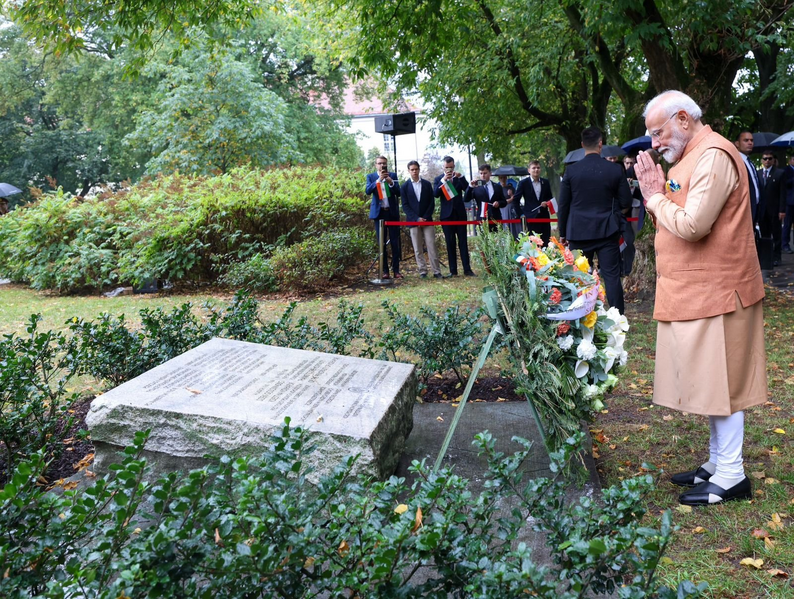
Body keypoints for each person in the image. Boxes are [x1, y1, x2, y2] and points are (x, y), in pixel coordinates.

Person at [634, 90, 767, 506]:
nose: (654, 143)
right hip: (697, 291)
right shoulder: (691, 155)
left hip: (721, 292)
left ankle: (732, 475)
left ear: (683, 119)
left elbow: (693, 225)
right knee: (713, 383)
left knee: (723, 383)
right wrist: (658, 194)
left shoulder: (714, 155)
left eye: (658, 132)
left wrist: (654, 196)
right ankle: (716, 462)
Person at [557, 126, 633, 313]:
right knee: (612, 276)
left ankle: (578, 317)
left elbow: (563, 205)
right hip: (607, 230)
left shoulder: (571, 172)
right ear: (601, 144)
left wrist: (563, 233)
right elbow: (626, 201)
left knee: (579, 277)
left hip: (578, 231)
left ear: (582, 145)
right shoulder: (615, 169)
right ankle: (617, 318)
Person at [434, 156, 475, 277]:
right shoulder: (438, 179)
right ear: (443, 167)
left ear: (454, 167)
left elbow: (467, 189)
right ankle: (453, 270)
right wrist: (443, 181)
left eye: (451, 167)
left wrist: (461, 177)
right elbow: (435, 194)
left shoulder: (458, 179)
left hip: (460, 215)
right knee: (450, 242)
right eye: (447, 167)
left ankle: (467, 269)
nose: (449, 170)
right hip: (447, 216)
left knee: (463, 242)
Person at [401, 160, 442, 279]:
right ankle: (422, 271)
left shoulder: (427, 184)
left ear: (419, 169)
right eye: (412, 169)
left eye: (416, 169)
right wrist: (416, 218)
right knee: (417, 248)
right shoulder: (404, 186)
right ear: (409, 171)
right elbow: (405, 205)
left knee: (431, 245)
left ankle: (436, 271)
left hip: (427, 220)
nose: (414, 171)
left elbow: (431, 203)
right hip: (413, 221)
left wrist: (425, 217)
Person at [365, 156, 402, 279]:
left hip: (391, 213)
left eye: (384, 163)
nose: (382, 165)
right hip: (379, 214)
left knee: (395, 243)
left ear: (387, 164)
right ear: (375, 165)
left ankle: (396, 270)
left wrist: (391, 182)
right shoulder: (371, 177)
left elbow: (399, 192)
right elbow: (367, 191)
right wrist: (378, 181)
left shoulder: (393, 175)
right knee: (382, 243)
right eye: (379, 163)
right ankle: (385, 271)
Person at [757, 151, 787, 266]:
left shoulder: (779, 173)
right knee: (764, 235)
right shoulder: (758, 173)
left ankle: (777, 257)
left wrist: (782, 210)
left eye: (769, 159)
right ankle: (766, 257)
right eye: (765, 159)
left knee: (776, 234)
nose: (767, 161)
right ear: (762, 160)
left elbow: (782, 193)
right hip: (762, 210)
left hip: (775, 210)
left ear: (774, 160)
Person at [513, 160, 552, 244]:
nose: (536, 170)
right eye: (533, 168)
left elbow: (550, 198)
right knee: (532, 243)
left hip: (544, 217)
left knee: (545, 241)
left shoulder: (545, 182)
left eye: (538, 168)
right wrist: (521, 214)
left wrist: (546, 203)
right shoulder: (523, 183)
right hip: (530, 217)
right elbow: (515, 200)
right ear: (529, 170)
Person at [465, 164, 506, 233]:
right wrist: (470, 187)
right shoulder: (476, 187)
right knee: (484, 241)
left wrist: (498, 203)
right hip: (482, 218)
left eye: (485, 173)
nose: (483, 175)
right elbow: (466, 199)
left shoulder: (497, 187)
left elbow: (504, 202)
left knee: (497, 241)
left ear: (490, 173)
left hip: (496, 218)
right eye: (481, 173)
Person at [782, 154, 794, 254]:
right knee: (787, 224)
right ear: (790, 160)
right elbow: (785, 184)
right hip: (789, 202)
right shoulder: (786, 171)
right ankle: (785, 244)